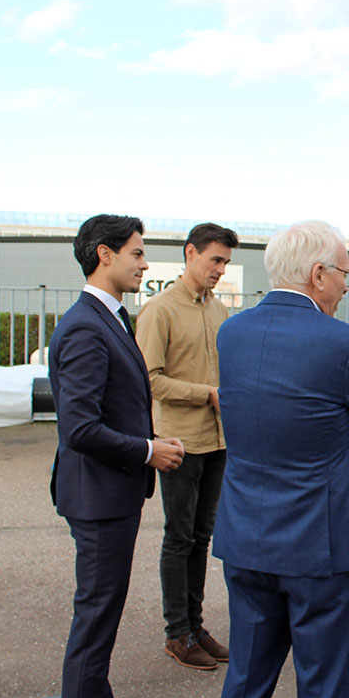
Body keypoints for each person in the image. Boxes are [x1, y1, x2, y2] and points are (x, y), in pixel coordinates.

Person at [212, 220, 349, 698]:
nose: (343, 286)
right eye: (343, 274)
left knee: (247, 677)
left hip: (246, 532)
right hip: (320, 539)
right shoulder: (342, 341)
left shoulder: (231, 333)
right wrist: (347, 419)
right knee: (324, 681)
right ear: (318, 274)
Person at [49, 214, 186, 698]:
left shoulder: (109, 317)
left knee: (101, 612)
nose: (145, 264)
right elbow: (80, 428)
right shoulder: (87, 327)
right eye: (137, 253)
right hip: (100, 497)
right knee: (96, 615)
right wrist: (148, 451)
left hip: (109, 492)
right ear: (104, 255)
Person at [135, 222, 238, 670]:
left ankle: (195, 627)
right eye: (215, 259)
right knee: (179, 538)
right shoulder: (159, 310)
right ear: (190, 253)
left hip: (217, 440)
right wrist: (207, 394)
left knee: (201, 537)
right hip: (179, 441)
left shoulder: (217, 310)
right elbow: (150, 379)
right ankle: (177, 633)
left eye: (226, 263)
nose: (220, 269)